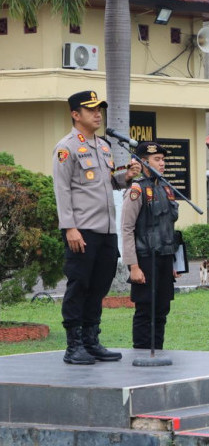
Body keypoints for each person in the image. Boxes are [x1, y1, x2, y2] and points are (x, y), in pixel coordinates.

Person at [52, 90, 141, 364]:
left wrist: (127, 176)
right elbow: (62, 189)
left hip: (106, 231)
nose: (97, 114)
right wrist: (69, 228)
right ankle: (73, 345)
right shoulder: (66, 148)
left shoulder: (103, 146)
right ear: (75, 114)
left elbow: (109, 183)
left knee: (99, 287)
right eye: (91, 110)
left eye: (99, 109)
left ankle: (91, 341)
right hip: (82, 230)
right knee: (79, 286)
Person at [121, 142, 180, 349]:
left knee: (162, 309)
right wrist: (133, 266)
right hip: (145, 259)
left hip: (164, 258)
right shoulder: (136, 190)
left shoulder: (166, 188)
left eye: (163, 159)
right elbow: (127, 229)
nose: (162, 163)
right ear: (144, 162)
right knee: (146, 310)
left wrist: (174, 262)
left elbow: (169, 228)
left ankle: (158, 351)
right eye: (157, 159)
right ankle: (142, 353)